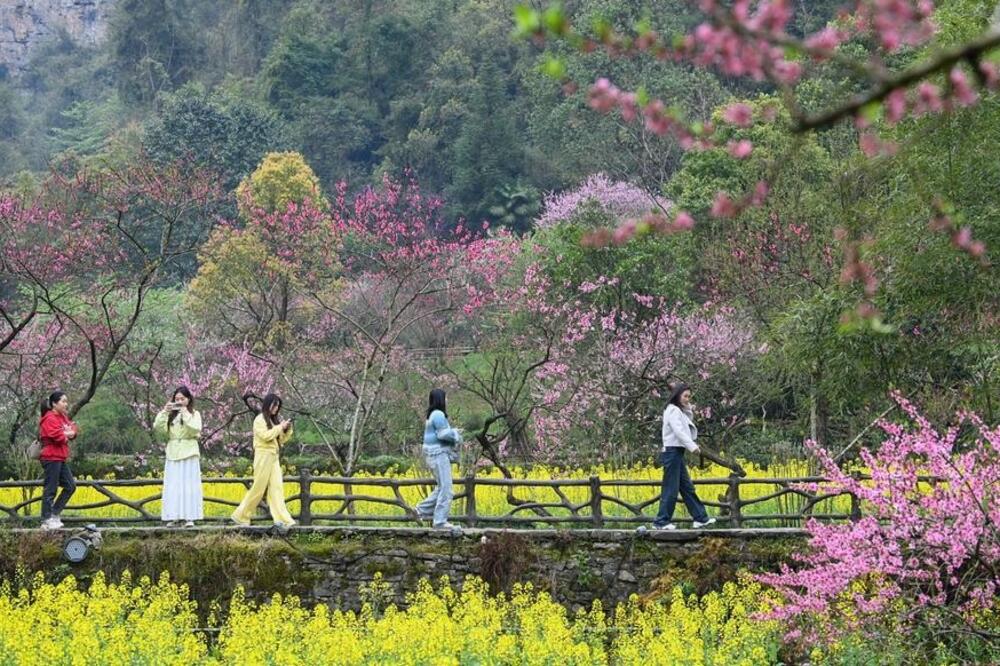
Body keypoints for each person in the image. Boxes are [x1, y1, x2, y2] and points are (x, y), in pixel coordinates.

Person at [652, 383, 716, 530]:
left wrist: (687, 407)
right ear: (677, 395)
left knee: (687, 487)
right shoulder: (673, 410)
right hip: (672, 452)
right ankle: (661, 521)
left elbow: (685, 423)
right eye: (685, 396)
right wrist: (692, 446)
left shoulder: (677, 410)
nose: (688, 399)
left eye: (689, 396)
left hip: (677, 452)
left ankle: (700, 518)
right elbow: (679, 431)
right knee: (671, 488)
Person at [231, 393, 295, 528]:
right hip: (263, 456)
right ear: (267, 404)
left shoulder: (274, 421)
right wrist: (279, 428)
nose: (276, 408)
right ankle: (241, 516)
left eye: (278, 405)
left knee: (277, 488)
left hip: (274, 457)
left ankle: (282, 520)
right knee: (258, 488)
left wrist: (286, 430)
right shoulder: (259, 419)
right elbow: (266, 436)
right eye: (274, 405)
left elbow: (280, 440)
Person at [153, 386, 203, 527]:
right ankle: (174, 516)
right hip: (173, 452)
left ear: (188, 399)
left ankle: (189, 517)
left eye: (182, 399)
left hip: (189, 452)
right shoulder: (170, 415)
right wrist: (164, 411)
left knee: (189, 486)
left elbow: (196, 428)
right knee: (174, 486)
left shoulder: (195, 414)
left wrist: (185, 412)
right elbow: (158, 427)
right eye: (177, 399)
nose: (179, 401)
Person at [416, 388, 462, 530]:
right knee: (447, 489)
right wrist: (455, 433)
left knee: (442, 487)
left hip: (433, 455)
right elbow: (443, 435)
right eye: (445, 398)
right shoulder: (438, 414)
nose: (447, 400)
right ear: (440, 399)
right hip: (439, 455)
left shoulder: (431, 415)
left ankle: (420, 510)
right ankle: (440, 521)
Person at [38, 390, 78, 530]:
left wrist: (68, 433)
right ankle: (46, 519)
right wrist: (67, 433)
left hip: (60, 456)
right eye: (63, 401)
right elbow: (57, 436)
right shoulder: (49, 418)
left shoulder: (62, 417)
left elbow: (73, 428)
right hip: (50, 457)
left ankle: (54, 514)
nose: (66, 404)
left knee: (70, 486)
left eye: (66, 401)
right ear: (54, 403)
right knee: (51, 489)